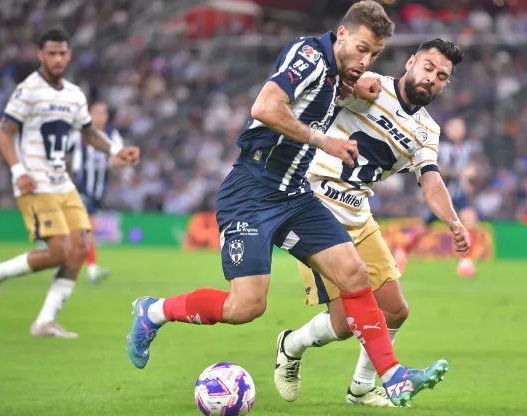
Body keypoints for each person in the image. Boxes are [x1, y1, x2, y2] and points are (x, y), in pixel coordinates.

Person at [125, 1, 447, 407]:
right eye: (362, 49)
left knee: (354, 272)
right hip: (251, 193)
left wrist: (354, 82)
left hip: (294, 195)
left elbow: (338, 91)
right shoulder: (309, 55)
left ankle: (392, 375)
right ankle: (153, 312)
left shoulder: (339, 74)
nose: (366, 60)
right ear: (342, 34)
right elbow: (264, 107)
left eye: (375, 55)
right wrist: (322, 140)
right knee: (246, 306)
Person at [274, 39, 468, 407]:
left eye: (442, 76)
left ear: (445, 85)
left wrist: (453, 221)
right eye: (428, 67)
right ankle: (290, 345)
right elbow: (322, 85)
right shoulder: (370, 85)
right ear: (411, 63)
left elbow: (430, 180)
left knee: (396, 309)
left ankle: (362, 387)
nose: (431, 78)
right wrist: (348, 83)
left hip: (359, 216)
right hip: (316, 209)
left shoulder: (427, 131)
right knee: (346, 324)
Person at [0, 28, 140, 338]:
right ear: (41, 55)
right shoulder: (28, 90)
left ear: (69, 54)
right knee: (59, 251)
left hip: (62, 183)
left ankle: (45, 321)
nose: (57, 58)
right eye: (51, 53)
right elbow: (4, 131)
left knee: (79, 249)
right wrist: (17, 172)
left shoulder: (74, 95)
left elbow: (90, 132)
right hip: (34, 183)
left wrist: (118, 150)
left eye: (62, 53)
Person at [393, 116, 479, 276]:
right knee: (423, 228)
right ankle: (402, 251)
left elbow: (466, 172)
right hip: (440, 195)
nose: (459, 129)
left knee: (470, 221)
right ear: (448, 130)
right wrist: (461, 174)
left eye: (461, 126)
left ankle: (466, 263)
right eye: (455, 126)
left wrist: (468, 179)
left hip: (458, 195)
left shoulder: (465, 148)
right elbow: (439, 169)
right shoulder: (444, 147)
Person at [70, 101, 127, 283]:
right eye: (96, 112)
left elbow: (121, 157)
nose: (100, 116)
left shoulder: (112, 134)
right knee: (88, 229)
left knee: (85, 231)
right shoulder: (79, 134)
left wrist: (118, 161)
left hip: (99, 191)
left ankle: (77, 264)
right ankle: (91, 269)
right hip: (81, 187)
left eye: (103, 112)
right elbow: (64, 153)